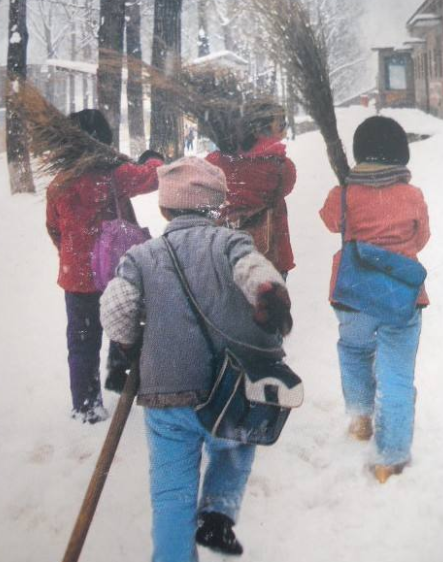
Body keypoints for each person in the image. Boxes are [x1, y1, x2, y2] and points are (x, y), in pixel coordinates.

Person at [100, 156, 293, 561]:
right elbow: (256, 272)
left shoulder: (141, 256)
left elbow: (116, 306)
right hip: (228, 391)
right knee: (237, 442)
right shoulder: (231, 243)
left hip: (165, 394)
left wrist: (128, 346)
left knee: (171, 492)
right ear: (217, 206)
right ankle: (218, 512)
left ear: (165, 208)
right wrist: (269, 294)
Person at [319, 116, 430, 483]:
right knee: (397, 374)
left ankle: (361, 417)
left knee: (353, 351)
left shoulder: (343, 194)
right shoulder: (411, 195)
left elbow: (329, 222)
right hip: (402, 298)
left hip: (353, 294)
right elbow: (421, 239)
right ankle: (391, 458)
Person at [46, 109, 163, 424]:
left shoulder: (60, 183)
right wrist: (152, 158)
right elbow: (155, 175)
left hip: (77, 279)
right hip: (116, 274)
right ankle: (119, 373)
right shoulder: (115, 174)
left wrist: (75, 255)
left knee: (82, 343)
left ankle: (86, 405)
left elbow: (54, 228)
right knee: (123, 324)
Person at [206, 100, 297, 278]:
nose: (285, 128)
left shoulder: (215, 161)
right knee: (270, 304)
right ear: (261, 127)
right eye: (281, 124)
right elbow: (285, 188)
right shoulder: (281, 165)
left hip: (226, 251)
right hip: (270, 253)